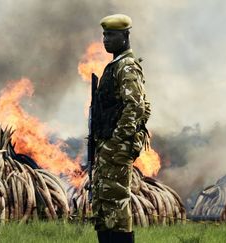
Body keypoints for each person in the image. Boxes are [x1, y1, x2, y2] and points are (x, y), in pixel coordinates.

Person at [92, 14, 151, 243]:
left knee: (116, 205)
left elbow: (135, 107)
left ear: (125, 36)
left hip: (115, 148)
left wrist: (117, 141)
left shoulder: (126, 66)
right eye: (104, 34)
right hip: (108, 146)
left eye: (111, 35)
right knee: (104, 206)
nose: (106, 39)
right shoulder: (116, 65)